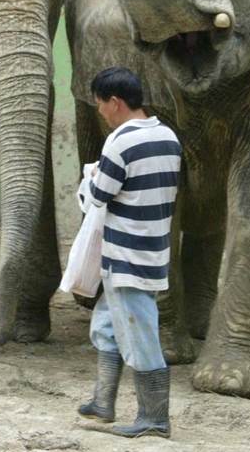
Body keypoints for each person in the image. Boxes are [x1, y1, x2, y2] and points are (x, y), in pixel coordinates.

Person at [78, 67, 181, 440]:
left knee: (142, 338)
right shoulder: (167, 136)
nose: (100, 111)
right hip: (152, 250)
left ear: (115, 102)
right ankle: (102, 401)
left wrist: (87, 180)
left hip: (126, 258)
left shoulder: (120, 142)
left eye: (101, 104)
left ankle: (154, 418)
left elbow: (97, 197)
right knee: (106, 327)